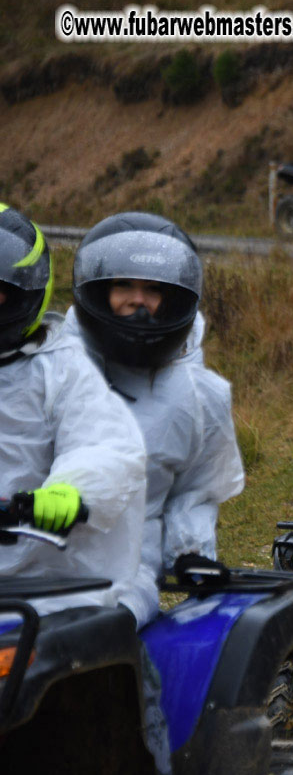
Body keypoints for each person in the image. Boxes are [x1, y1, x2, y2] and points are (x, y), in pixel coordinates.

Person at [65, 212, 245, 627]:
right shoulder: (55, 369)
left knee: (111, 656)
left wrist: (190, 553)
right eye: (123, 285)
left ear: (173, 298)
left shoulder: (198, 396)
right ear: (98, 289)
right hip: (28, 568)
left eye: (153, 290)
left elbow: (195, 490)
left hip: (124, 576)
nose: (137, 300)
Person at [0, 202, 150, 622]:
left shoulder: (60, 367)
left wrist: (69, 492)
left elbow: (105, 445)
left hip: (52, 583)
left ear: (24, 291)